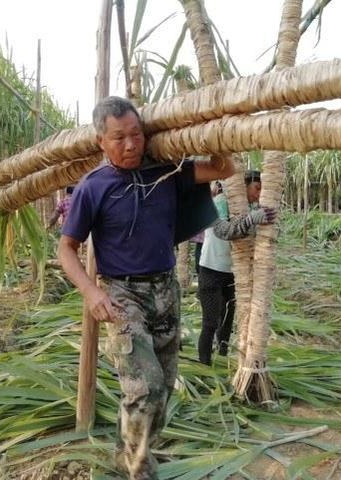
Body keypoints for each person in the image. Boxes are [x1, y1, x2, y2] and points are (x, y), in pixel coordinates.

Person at [57, 96, 234, 480]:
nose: (131, 144)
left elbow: (225, 168)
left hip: (166, 290)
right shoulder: (93, 187)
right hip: (123, 295)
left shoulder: (167, 172)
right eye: (119, 137)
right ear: (101, 141)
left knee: (165, 386)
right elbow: (66, 248)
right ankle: (136, 469)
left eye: (136, 134)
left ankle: (136, 451)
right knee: (146, 385)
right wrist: (91, 292)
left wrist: (209, 132)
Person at [197, 171, 276, 365]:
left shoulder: (250, 207)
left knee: (228, 320)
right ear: (244, 185)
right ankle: (205, 366)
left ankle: (223, 358)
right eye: (257, 188)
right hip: (211, 270)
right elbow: (223, 231)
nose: (259, 194)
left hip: (234, 273)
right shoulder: (221, 202)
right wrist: (250, 220)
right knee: (211, 322)